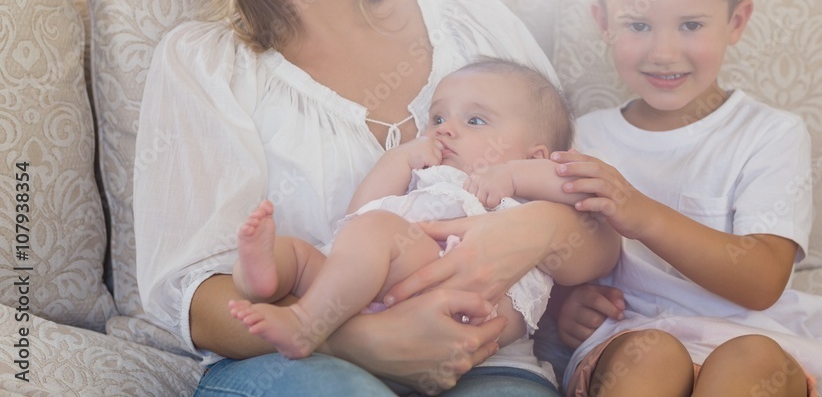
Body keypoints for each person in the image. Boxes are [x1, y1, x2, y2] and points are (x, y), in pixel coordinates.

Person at [132, 0, 619, 397]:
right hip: (294, 369)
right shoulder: (204, 64)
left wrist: (540, 230)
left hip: (489, 359)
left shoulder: (471, 19)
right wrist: (357, 337)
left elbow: (595, 221)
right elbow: (190, 295)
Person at [544, 0, 822, 396]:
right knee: (649, 354)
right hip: (632, 338)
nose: (664, 52)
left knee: (749, 359)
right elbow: (551, 255)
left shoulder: (770, 134)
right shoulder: (582, 137)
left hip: (754, 339)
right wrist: (565, 307)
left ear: (736, 22)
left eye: (690, 25)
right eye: (638, 24)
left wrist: (642, 214)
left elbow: (760, 281)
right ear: (603, 23)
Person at [228, 59, 592, 392]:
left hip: (484, 327)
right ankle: (261, 277)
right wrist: (396, 162)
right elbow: (357, 219)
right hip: (376, 294)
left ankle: (307, 321)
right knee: (301, 251)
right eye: (437, 118)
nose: (445, 130)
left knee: (372, 231)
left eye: (475, 120)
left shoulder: (525, 188)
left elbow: (575, 191)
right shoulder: (426, 177)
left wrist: (513, 174)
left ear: (536, 155)